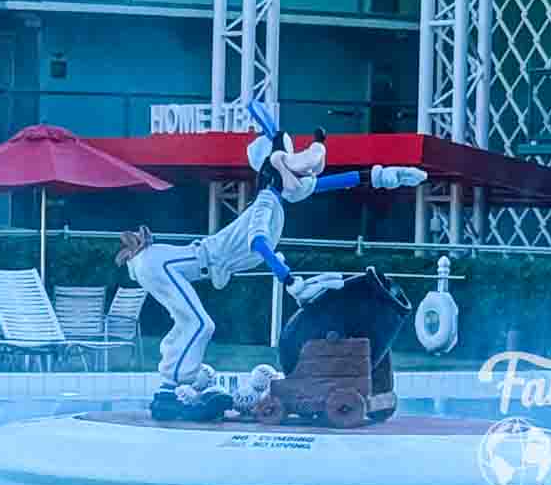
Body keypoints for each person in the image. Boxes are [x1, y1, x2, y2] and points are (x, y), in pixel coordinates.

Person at [117, 111, 428, 421]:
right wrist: (290, 280)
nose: (304, 178)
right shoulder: (266, 204)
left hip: (172, 263)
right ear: (274, 173)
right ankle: (171, 394)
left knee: (192, 322)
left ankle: (187, 381)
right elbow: (259, 243)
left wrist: (386, 176)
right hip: (163, 265)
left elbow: (332, 182)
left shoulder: (277, 200)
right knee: (199, 324)